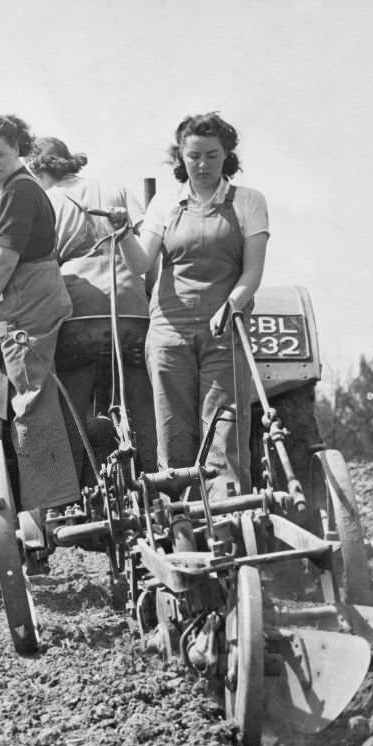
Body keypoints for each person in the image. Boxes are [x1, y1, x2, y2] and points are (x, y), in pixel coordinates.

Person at [116, 112, 269, 498]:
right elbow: (140, 263)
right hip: (169, 334)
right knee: (175, 436)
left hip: (224, 331)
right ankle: (182, 533)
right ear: (180, 157)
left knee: (225, 435)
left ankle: (231, 531)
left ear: (227, 156)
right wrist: (122, 234)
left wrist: (231, 306)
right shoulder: (166, 203)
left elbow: (252, 273)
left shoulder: (249, 202)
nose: (202, 165)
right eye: (194, 156)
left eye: (212, 156)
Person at [0, 114, 79, 517]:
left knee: (31, 401)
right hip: (25, 299)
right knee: (31, 398)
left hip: (28, 302)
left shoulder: (19, 193)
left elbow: (4, 262)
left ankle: (50, 507)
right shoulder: (9, 190)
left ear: (20, 149)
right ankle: (47, 500)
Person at [27, 137, 157, 478]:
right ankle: (159, 479)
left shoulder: (46, 200)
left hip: (78, 311)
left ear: (39, 168)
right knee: (142, 398)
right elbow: (147, 248)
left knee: (72, 401)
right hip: (132, 308)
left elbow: (40, 263)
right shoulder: (117, 190)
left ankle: (73, 489)